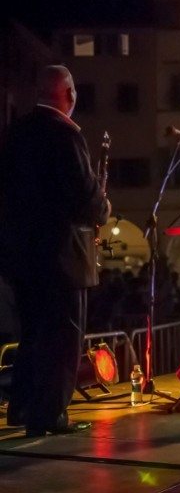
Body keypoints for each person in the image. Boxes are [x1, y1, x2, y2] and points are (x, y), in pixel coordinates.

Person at [0, 65, 110, 436]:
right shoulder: (66, 135)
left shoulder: (16, 132)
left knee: (32, 333)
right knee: (63, 337)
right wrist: (103, 206)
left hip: (22, 255)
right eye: (73, 91)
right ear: (66, 95)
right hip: (63, 255)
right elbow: (85, 196)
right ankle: (50, 414)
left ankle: (22, 406)